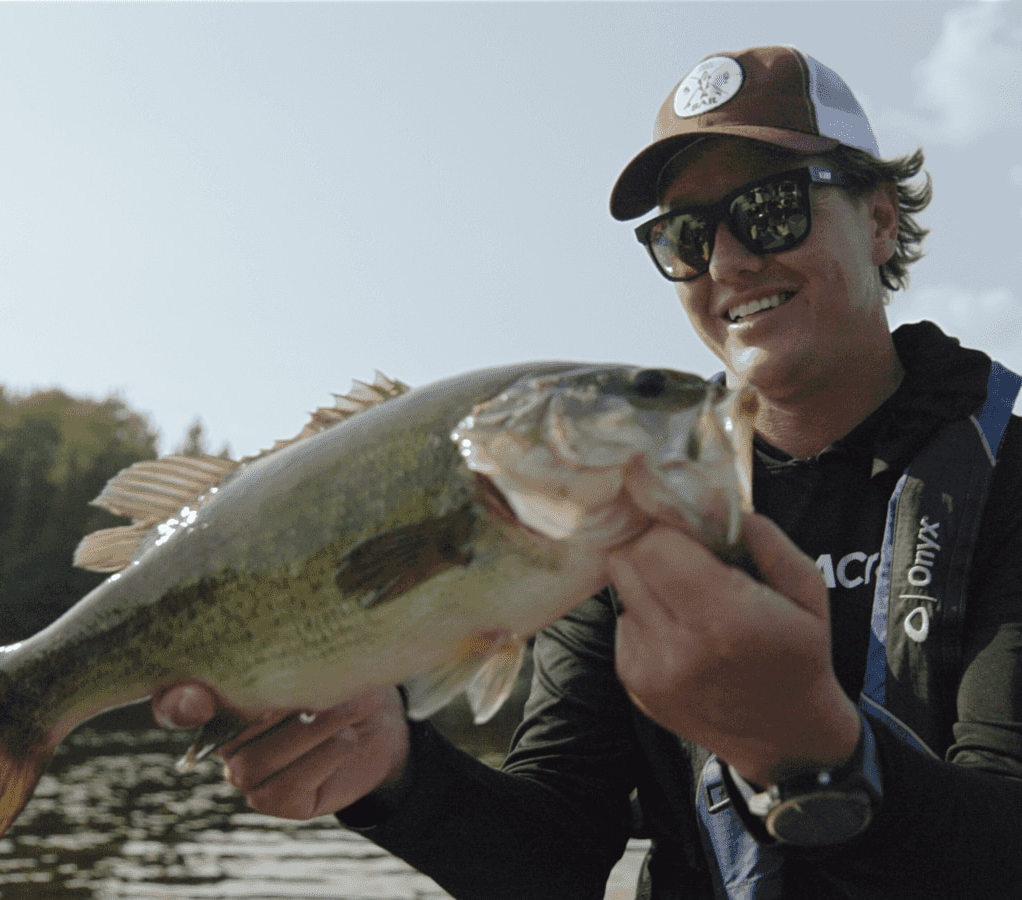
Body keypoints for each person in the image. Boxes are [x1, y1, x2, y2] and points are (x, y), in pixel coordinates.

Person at [152, 46, 1022, 898]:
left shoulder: (1008, 481)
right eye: (686, 236)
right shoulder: (618, 509)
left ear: (879, 221)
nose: (727, 262)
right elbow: (555, 855)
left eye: (772, 209)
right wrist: (396, 772)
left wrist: (817, 758)